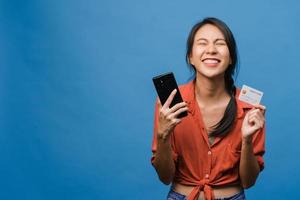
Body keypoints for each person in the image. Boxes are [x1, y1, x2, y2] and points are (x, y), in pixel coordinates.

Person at [151, 17, 266, 200]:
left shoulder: (250, 108)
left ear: (231, 58)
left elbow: (248, 182)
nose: (211, 50)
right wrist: (162, 136)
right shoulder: (169, 103)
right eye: (202, 43)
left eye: (220, 44)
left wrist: (247, 140)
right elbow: (165, 177)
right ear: (190, 57)